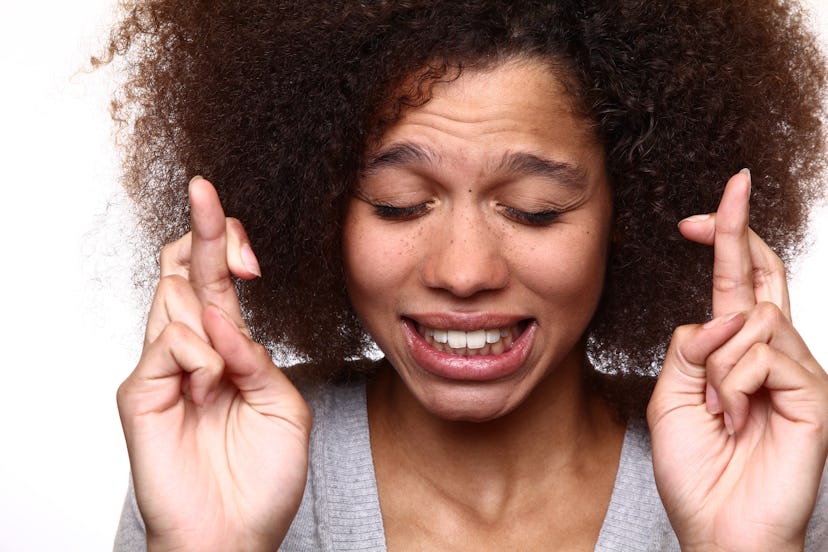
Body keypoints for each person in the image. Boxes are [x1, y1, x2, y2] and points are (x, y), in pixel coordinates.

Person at [107, 0, 828, 550]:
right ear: (319, 207)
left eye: (534, 211)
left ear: (633, 209)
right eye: (398, 205)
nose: (463, 271)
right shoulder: (220, 454)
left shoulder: (756, 467)